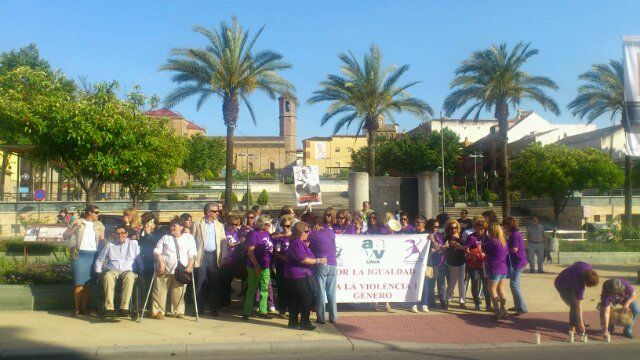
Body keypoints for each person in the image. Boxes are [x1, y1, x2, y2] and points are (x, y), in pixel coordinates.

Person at [150, 217, 196, 319]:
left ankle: (177, 311)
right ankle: (158, 311)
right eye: (170, 226)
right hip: (164, 268)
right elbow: (157, 251)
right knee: (159, 290)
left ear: (181, 227)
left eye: (174, 226)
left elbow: (192, 254)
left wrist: (190, 265)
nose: (171, 228)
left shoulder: (189, 238)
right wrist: (161, 263)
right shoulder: (165, 237)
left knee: (179, 291)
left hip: (181, 269)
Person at [63, 205, 105, 317]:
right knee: (79, 283)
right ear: (89, 213)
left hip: (93, 255)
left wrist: (103, 249)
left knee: (88, 284)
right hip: (80, 255)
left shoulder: (99, 224)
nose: (98, 214)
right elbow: (65, 235)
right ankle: (76, 308)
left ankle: (84, 307)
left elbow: (102, 239)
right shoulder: (78, 222)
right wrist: (74, 228)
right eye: (96, 212)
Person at [285, 221, 327, 330]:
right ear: (300, 232)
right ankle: (304, 322)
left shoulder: (298, 242)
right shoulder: (297, 243)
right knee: (306, 298)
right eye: (306, 231)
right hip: (298, 274)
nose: (308, 233)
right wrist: (318, 260)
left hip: (294, 274)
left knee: (295, 298)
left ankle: (293, 322)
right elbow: (304, 260)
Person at [94, 225, 143, 317]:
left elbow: (139, 258)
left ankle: (124, 308)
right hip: (113, 270)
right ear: (114, 235)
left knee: (130, 276)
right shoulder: (110, 245)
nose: (120, 235)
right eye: (118, 233)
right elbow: (100, 260)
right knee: (108, 276)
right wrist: (98, 272)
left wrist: (141, 270)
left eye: (123, 233)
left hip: (128, 270)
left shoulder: (133, 244)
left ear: (127, 234)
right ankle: (109, 308)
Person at [192, 203, 226, 317]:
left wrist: (223, 256)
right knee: (200, 283)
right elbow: (191, 241)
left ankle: (213, 309)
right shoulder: (197, 224)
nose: (217, 213)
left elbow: (224, 241)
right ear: (208, 212)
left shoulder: (220, 225)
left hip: (214, 257)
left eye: (218, 211)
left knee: (214, 284)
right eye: (215, 211)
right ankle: (199, 309)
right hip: (201, 256)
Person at [308, 214, 338, 324]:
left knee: (320, 292)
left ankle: (321, 318)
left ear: (316, 224)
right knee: (331, 292)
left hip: (322, 263)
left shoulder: (313, 234)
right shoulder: (330, 232)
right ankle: (333, 317)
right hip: (333, 263)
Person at [243, 214, 274, 320]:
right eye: (268, 224)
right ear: (262, 224)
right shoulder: (253, 234)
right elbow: (250, 251)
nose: (270, 226)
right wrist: (256, 265)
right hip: (254, 266)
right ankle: (246, 311)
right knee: (252, 288)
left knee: (264, 289)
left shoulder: (267, 233)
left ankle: (263, 311)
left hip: (266, 266)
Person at [554, 261, 600, 333]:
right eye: (588, 285)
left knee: (575, 305)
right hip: (561, 284)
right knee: (574, 305)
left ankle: (577, 320)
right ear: (585, 281)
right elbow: (579, 304)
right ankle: (572, 326)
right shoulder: (579, 284)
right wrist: (580, 322)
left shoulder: (587, 266)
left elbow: (576, 263)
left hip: (568, 279)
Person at [484, 222, 509, 320]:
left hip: (494, 267)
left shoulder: (492, 241)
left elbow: (485, 249)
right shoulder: (503, 241)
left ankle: (496, 310)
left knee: (492, 289)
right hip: (503, 268)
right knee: (501, 289)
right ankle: (503, 309)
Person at [503, 217, 528, 315]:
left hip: (519, 262)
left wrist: (504, 251)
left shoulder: (515, 235)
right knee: (513, 285)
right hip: (517, 262)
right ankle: (518, 305)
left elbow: (514, 249)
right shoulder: (514, 234)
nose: (504, 228)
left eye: (505, 226)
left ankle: (521, 307)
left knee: (514, 285)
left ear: (509, 225)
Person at [139, 212, 163, 309]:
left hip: (155, 260)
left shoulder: (159, 230)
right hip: (145, 260)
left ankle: (154, 306)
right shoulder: (143, 230)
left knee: (155, 286)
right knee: (146, 284)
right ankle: (146, 305)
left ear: (152, 221)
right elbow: (141, 243)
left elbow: (157, 243)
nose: (145, 224)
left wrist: (149, 234)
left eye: (146, 222)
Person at [465, 216, 490, 311]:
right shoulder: (471, 237)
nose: (480, 230)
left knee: (486, 285)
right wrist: (472, 253)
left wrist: (485, 253)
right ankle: (477, 304)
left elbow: (491, 250)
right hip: (474, 264)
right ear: (475, 228)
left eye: (482, 229)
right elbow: (466, 249)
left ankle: (488, 305)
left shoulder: (487, 238)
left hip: (484, 263)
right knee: (475, 283)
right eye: (478, 228)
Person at [272, 215, 293, 317]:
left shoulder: (294, 236)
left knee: (291, 289)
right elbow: (276, 253)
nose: (286, 228)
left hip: (292, 267)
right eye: (284, 226)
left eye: (288, 226)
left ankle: (291, 308)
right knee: (282, 289)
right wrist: (284, 258)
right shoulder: (278, 237)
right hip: (281, 266)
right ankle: (282, 310)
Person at [444, 219, 467, 309]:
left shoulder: (461, 236)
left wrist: (457, 239)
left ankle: (462, 301)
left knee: (462, 282)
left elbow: (466, 245)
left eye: (455, 228)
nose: (453, 230)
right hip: (452, 261)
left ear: (458, 228)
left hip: (461, 261)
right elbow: (444, 246)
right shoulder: (446, 236)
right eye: (450, 228)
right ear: (447, 229)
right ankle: (448, 299)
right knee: (452, 281)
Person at [220, 215, 242, 308]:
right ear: (227, 223)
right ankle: (223, 301)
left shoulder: (238, 232)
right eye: (232, 224)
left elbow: (241, 242)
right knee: (224, 282)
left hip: (235, 260)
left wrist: (237, 243)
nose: (234, 226)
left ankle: (227, 301)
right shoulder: (223, 232)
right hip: (225, 259)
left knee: (230, 281)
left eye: (236, 224)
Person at [411, 215, 430, 313]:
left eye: (420, 222)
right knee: (414, 283)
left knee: (425, 284)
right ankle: (414, 304)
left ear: (424, 224)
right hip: (412, 264)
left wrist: (433, 239)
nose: (417, 224)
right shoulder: (411, 233)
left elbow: (436, 247)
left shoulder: (428, 234)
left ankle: (424, 304)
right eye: (416, 222)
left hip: (424, 263)